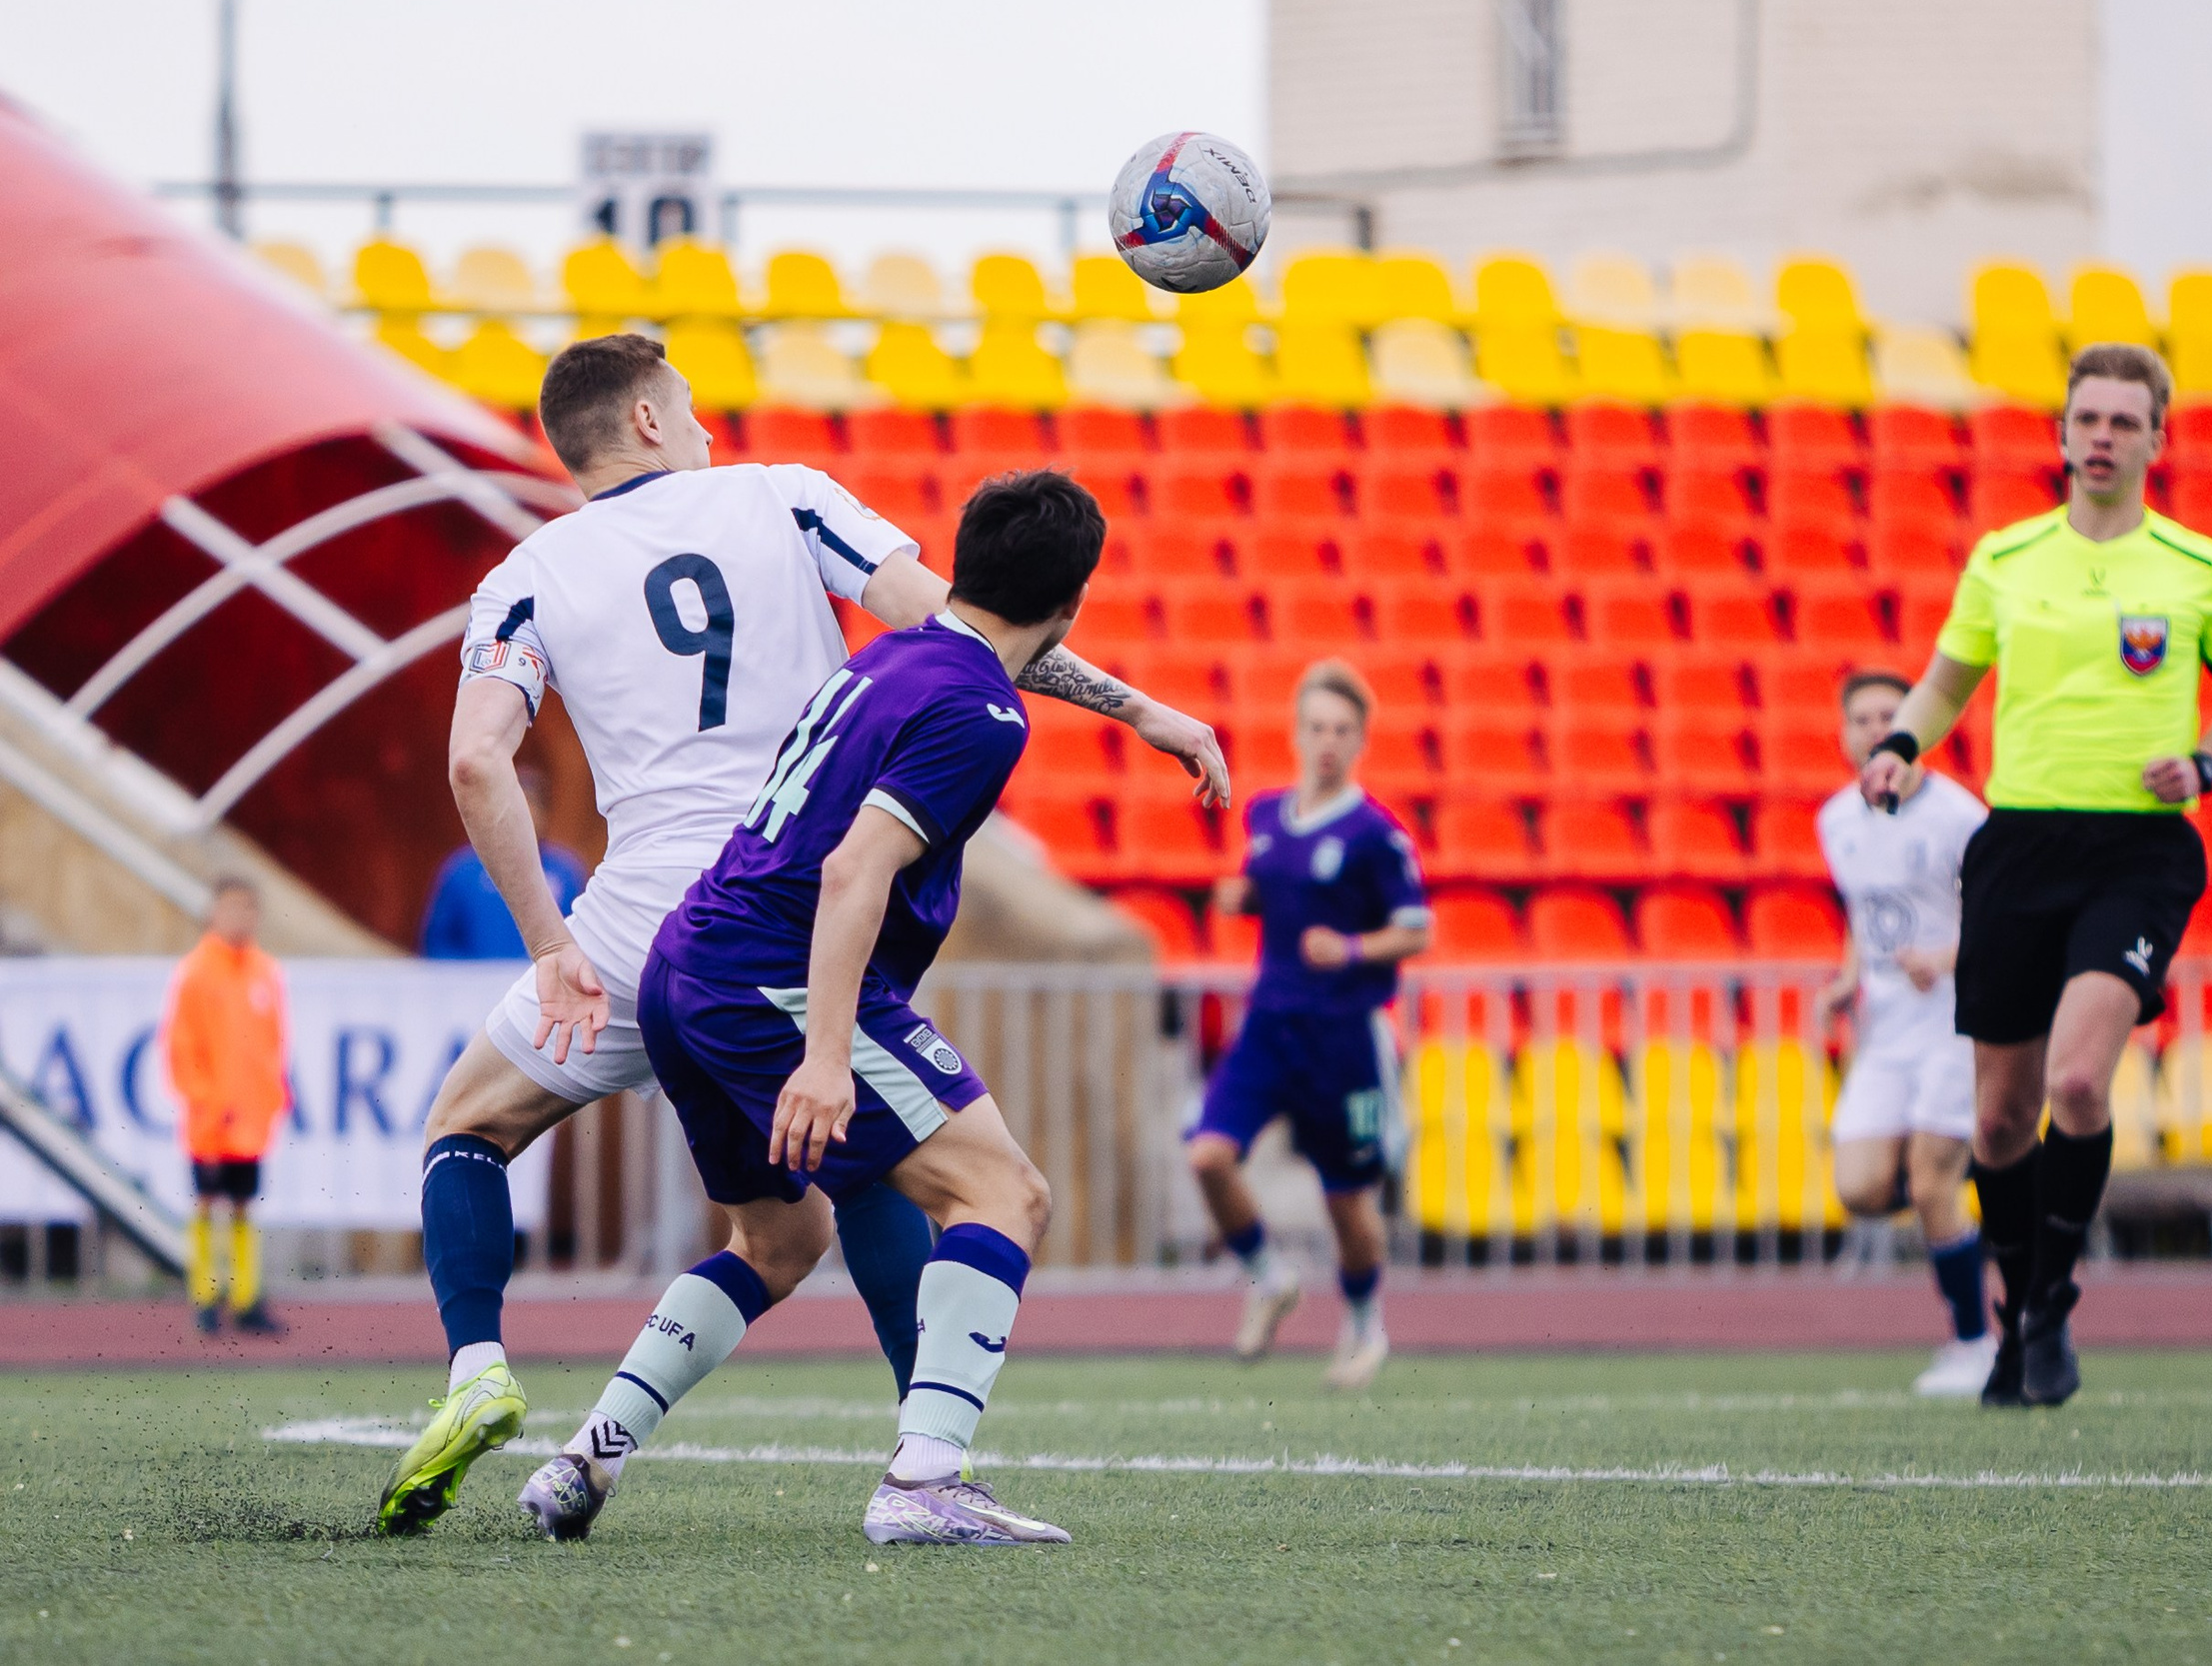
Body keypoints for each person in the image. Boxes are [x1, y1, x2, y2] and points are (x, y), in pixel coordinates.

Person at [377, 335, 1228, 1535]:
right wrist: (1138, 705)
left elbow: (476, 758)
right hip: (791, 886)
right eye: (692, 410)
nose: (712, 429)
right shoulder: (782, 496)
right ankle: (925, 1460)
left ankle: (483, 1372)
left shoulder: (525, 572)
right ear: (652, 419)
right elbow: (962, 630)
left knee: (475, 1130)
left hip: (636, 929)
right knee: (910, 1167)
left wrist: (548, 940)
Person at [517, 470, 1102, 1547]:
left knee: (778, 1238)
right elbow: (853, 871)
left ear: (959, 564)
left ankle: (581, 1462)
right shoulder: (981, 711)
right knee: (1005, 1192)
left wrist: (1148, 709)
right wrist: (825, 1054)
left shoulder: (886, 657)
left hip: (683, 961)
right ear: (1071, 605)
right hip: (773, 972)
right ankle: (926, 1480)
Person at [1859, 343, 2212, 1408]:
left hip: (2137, 847)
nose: (2101, 436)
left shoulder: (2198, 566)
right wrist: (1903, 745)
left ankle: (2048, 1307)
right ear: (2059, 434)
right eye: (2084, 417)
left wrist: (2208, 761)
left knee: (2079, 1081)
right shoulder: (2006, 559)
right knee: (1997, 1121)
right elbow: (1946, 681)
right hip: (2021, 844)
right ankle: (2021, 1308)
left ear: (2154, 439)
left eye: (2122, 422)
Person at [1188, 661, 1432, 1391]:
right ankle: (1268, 1276)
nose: (1328, 741)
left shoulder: (1375, 836)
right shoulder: (1265, 814)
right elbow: (1278, 889)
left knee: (1345, 1199)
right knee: (1208, 1155)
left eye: (1342, 729)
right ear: (1297, 733)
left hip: (1342, 1035)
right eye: (1317, 726)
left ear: (1359, 740)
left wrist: (1352, 948)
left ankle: (1364, 1325)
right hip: (1270, 1023)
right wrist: (1246, 898)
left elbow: (1415, 930)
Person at [1817, 671, 1990, 1397]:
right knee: (1859, 1187)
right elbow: (1868, 916)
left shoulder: (1960, 818)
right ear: (1845, 731)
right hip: (1888, 1033)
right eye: (1862, 717)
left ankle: (1975, 1343)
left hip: (1956, 1021)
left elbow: (2007, 921)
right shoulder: (1836, 821)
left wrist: (1949, 956)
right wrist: (1847, 975)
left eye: (1891, 715)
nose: (1875, 728)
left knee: (1928, 1182)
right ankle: (1998, 1165)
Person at [162, 877, 290, 1336]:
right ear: (213, 914)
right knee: (205, 1202)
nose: (240, 918)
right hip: (211, 1117)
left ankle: (245, 1296)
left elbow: (273, 1043)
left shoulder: (264, 972)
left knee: (242, 1204)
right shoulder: (197, 972)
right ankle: (204, 1295)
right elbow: (182, 1046)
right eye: (231, 908)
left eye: (247, 909)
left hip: (252, 1118)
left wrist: (273, 1098)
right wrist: (204, 1103)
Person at [418, 764, 585, 957]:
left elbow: (581, 935)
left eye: (533, 804)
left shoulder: (566, 872)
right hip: (473, 985)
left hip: (541, 982)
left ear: (545, 814)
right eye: (518, 804)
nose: (527, 814)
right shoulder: (462, 871)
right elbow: (438, 941)